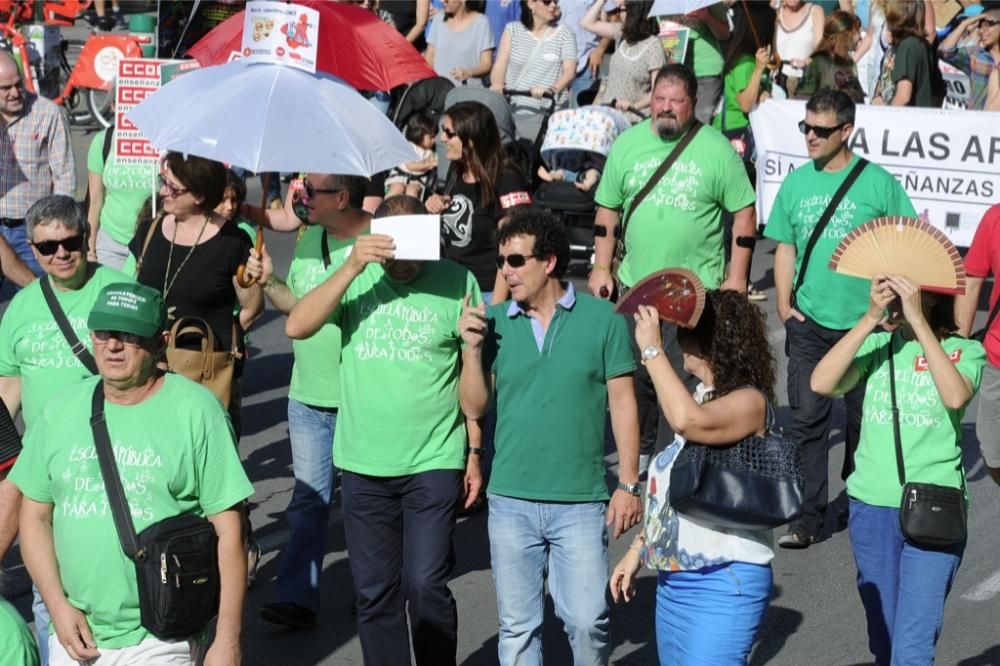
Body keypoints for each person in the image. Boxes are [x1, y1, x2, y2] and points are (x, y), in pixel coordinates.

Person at [9, 281, 254, 666]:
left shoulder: (198, 413)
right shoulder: (60, 410)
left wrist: (228, 639)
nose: (113, 345)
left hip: (161, 633)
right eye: (103, 333)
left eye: (129, 334)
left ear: (161, 341)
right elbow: (34, 516)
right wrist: (56, 605)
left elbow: (230, 531)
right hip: (75, 632)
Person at [285, 195, 483, 666]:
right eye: (394, 253)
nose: (402, 266)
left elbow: (476, 400)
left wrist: (474, 449)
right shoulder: (358, 276)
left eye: (414, 253)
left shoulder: (459, 281)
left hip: (433, 458)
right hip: (362, 461)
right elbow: (295, 324)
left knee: (426, 584)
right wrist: (353, 265)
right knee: (374, 595)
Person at [458, 208, 641, 665]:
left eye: (516, 261)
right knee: (518, 629)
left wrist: (629, 484)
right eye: (502, 261)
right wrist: (472, 351)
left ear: (550, 262)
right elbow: (475, 407)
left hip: (579, 501)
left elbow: (623, 404)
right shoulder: (493, 321)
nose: (505, 271)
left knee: (586, 620)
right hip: (511, 499)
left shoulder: (604, 321)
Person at [763, 89, 916, 549]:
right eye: (805, 127)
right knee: (807, 419)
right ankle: (808, 517)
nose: (810, 136)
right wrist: (785, 306)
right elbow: (785, 246)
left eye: (820, 130)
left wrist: (894, 311)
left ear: (846, 131)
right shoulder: (796, 184)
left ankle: (855, 490)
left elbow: (905, 243)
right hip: (810, 323)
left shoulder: (877, 184)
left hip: (865, 326)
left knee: (861, 421)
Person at [590, 63, 757, 472]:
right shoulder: (627, 145)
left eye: (675, 102)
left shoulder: (716, 149)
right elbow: (607, 210)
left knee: (685, 379)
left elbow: (744, 215)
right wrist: (601, 267)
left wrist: (737, 278)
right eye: (659, 100)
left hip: (692, 294)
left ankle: (679, 459)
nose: (665, 108)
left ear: (692, 103)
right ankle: (643, 452)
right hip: (635, 286)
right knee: (637, 377)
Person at [811, 274, 983, 665]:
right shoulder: (878, 346)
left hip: (935, 508)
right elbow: (821, 382)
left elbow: (955, 395)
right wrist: (870, 318)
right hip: (872, 506)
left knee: (913, 646)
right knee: (885, 641)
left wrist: (919, 324)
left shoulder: (964, 351)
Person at [610, 290, 777, 666]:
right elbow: (672, 492)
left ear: (712, 341)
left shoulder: (750, 401)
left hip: (725, 579)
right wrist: (637, 551)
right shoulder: (698, 396)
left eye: (685, 332)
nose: (677, 340)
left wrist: (651, 351)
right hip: (675, 581)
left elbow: (689, 422)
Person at [0, 195, 133, 664]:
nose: (59, 254)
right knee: (47, 590)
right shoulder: (21, 307)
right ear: (31, 250)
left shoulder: (120, 291)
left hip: (118, 465)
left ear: (86, 237)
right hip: (50, 475)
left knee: (115, 582)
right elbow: (10, 386)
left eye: (69, 242)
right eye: (46, 247)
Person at [249, 174, 371, 629]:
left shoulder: (379, 241)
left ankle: (376, 592)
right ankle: (298, 598)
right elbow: (295, 307)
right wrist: (270, 280)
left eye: (309, 193)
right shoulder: (309, 239)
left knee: (365, 507)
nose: (299, 199)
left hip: (362, 400)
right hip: (307, 397)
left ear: (341, 197)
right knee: (307, 501)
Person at [123, 152, 264, 438]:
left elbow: (252, 308)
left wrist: (224, 343)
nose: (163, 191)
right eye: (163, 181)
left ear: (199, 195)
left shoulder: (233, 242)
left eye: (172, 188)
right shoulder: (149, 230)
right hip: (149, 369)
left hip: (205, 375)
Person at [426, 101, 533, 305]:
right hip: (452, 285)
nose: (442, 138)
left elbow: (510, 249)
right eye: (442, 131)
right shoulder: (456, 169)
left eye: (449, 133)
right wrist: (436, 202)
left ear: (471, 140)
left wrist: (496, 308)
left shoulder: (506, 180)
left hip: (486, 291)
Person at [0, 51, 75, 278]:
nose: (15, 93)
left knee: (37, 300)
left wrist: (57, 229)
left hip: (31, 230)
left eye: (18, 84)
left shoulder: (48, 114)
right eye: (5, 88)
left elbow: (65, 177)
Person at [490, 0, 578, 143]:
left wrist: (551, 90)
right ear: (531, 4)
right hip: (513, 110)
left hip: (546, 115)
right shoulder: (512, 30)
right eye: (547, 1)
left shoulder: (565, 33)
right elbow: (499, 66)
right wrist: (497, 84)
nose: (553, 5)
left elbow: (569, 72)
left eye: (555, 1)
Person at [957, 203, 1000, 485]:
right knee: (992, 451)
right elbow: (971, 282)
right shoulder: (995, 217)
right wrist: (956, 347)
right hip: (997, 358)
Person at [582, 0, 667, 124]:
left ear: (634, 12)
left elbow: (657, 90)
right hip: (607, 116)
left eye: (621, 10)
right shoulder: (621, 33)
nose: (618, 14)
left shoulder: (653, 44)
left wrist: (634, 106)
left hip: (633, 120)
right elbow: (587, 23)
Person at [86, 127, 159, 270]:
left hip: (152, 243)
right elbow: (95, 202)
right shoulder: (103, 140)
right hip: (110, 245)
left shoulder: (166, 142)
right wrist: (91, 252)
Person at [658, 3, 733, 124]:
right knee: (676, 120)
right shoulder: (660, 4)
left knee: (700, 122)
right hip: (674, 70)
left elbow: (725, 34)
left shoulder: (707, 2)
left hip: (705, 70)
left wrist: (706, 17)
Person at [873, 0, 943, 106]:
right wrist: (877, 96)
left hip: (902, 119)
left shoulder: (908, 47)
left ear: (898, 16)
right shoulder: (899, 46)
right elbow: (883, 80)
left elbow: (903, 96)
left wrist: (885, 115)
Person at [795, 9, 867, 101]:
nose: (860, 37)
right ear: (845, 35)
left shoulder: (849, 63)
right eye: (856, 32)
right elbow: (803, 97)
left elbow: (859, 98)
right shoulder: (819, 61)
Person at [937, 8, 1000, 110]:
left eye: (987, 25)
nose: (982, 31)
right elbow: (944, 51)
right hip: (980, 121)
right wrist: (964, 24)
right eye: (979, 26)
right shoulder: (976, 55)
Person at [425, 0, 495, 87]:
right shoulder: (438, 19)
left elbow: (486, 64)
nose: (442, 1)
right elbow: (430, 57)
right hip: (439, 93)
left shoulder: (481, 22)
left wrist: (469, 72)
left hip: (466, 93)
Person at [775, 0, 826, 97]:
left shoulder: (815, 12)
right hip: (776, 84)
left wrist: (805, 62)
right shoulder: (775, 13)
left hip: (804, 84)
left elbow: (820, 51)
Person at [386, 113, 439, 200]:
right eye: (431, 137)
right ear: (419, 135)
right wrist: (429, 164)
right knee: (396, 190)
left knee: (412, 192)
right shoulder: (408, 147)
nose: (434, 140)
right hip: (399, 176)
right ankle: (386, 209)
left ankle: (410, 210)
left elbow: (436, 160)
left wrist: (435, 161)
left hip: (417, 180)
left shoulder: (429, 152)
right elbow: (410, 166)